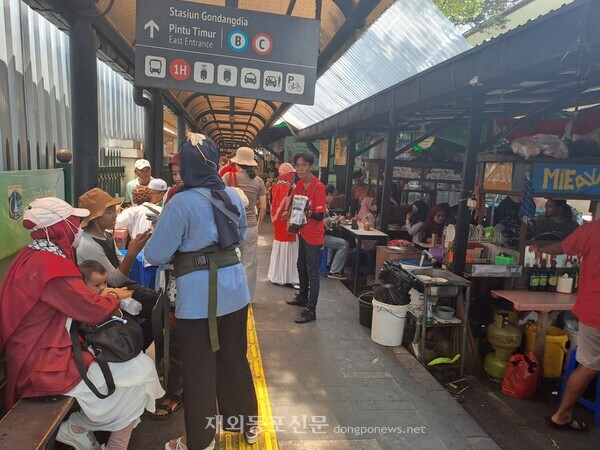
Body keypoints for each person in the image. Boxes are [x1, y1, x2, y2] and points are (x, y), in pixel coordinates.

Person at [0, 197, 163, 450]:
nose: (77, 229)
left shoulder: (31, 256)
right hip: (44, 364)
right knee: (139, 375)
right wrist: (110, 296)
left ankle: (80, 428)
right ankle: (79, 427)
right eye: (73, 223)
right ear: (58, 228)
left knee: (137, 373)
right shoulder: (51, 267)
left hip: (35, 354)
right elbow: (90, 309)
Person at [144, 133, 259, 450]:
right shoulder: (233, 196)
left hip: (198, 298)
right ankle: (247, 426)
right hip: (235, 289)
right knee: (235, 358)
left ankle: (202, 441)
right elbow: (237, 235)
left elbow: (155, 254)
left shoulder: (180, 202)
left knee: (200, 368)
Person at [530, 219, 600, 432]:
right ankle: (562, 414)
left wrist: (538, 248)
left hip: (592, 310)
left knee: (589, 365)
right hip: (594, 311)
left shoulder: (591, 230)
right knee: (589, 366)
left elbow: (560, 247)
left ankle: (563, 414)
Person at [77, 188, 158, 350]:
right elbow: (113, 279)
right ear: (95, 218)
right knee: (158, 309)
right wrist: (132, 253)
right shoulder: (88, 245)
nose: (115, 215)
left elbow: (119, 263)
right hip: (108, 292)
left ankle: (137, 346)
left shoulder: (106, 235)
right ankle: (135, 347)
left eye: (114, 211)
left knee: (160, 305)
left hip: (122, 286)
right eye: (109, 212)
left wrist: (132, 252)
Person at [284, 152, 326, 324]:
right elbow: (293, 201)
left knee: (312, 271)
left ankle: (311, 309)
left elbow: (320, 215)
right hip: (302, 232)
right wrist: (288, 211)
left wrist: (305, 210)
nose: (300, 169)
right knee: (300, 266)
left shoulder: (319, 187)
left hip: (314, 237)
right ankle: (302, 296)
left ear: (311, 166)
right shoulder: (300, 184)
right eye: (298, 165)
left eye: (304, 165)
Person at [222, 146, 267, 301]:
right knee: (249, 264)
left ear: (237, 162)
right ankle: (246, 298)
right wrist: (258, 224)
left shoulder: (227, 177)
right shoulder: (259, 181)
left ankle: (230, 298)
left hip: (231, 228)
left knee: (231, 263)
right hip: (250, 227)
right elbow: (264, 207)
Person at [267, 162, 300, 286]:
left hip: (278, 223)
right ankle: (290, 277)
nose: (293, 176)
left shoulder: (275, 187)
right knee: (291, 249)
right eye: (292, 174)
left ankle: (277, 276)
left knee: (279, 247)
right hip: (288, 222)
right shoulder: (291, 188)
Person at [324, 184, 349, 280]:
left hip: (318, 235)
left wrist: (335, 219)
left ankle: (329, 264)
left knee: (336, 241)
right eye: (333, 196)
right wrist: (339, 221)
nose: (334, 198)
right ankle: (334, 271)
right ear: (329, 194)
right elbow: (328, 225)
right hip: (320, 237)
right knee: (344, 244)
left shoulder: (322, 204)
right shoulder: (324, 206)